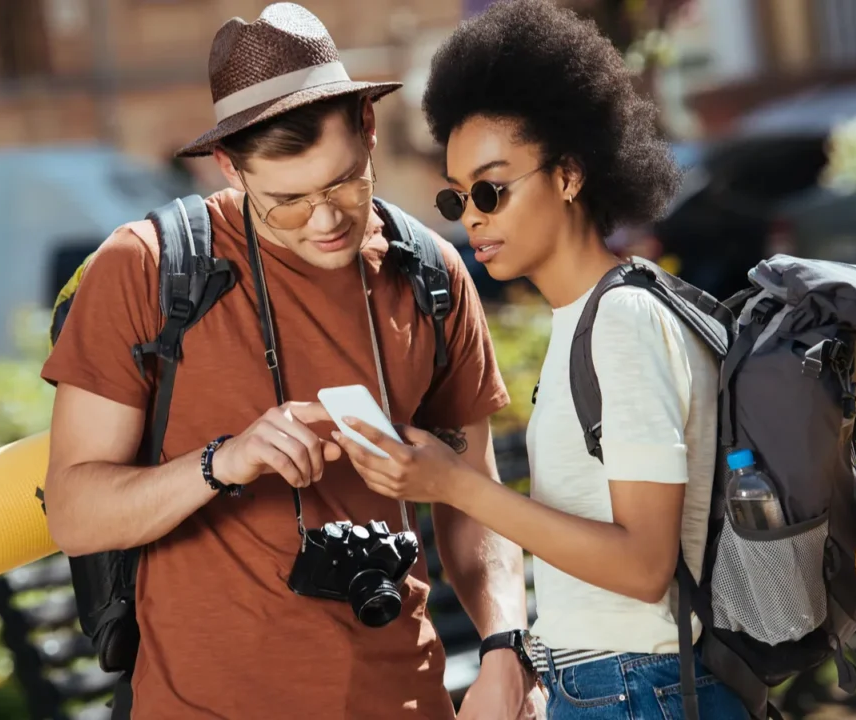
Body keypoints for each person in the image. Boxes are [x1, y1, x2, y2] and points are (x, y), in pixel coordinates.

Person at [40, 4, 541, 719]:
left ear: (369, 130)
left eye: (343, 182)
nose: (326, 220)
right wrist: (224, 462)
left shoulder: (430, 273)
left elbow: (474, 497)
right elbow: (75, 513)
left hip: (408, 699)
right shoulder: (147, 268)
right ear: (229, 166)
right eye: (287, 201)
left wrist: (504, 648)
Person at [333, 1, 748, 718]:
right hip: (613, 684)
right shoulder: (593, 317)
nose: (472, 217)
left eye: (492, 189)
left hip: (638, 688)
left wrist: (455, 485)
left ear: (568, 175)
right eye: (457, 196)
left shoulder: (620, 321)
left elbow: (643, 566)